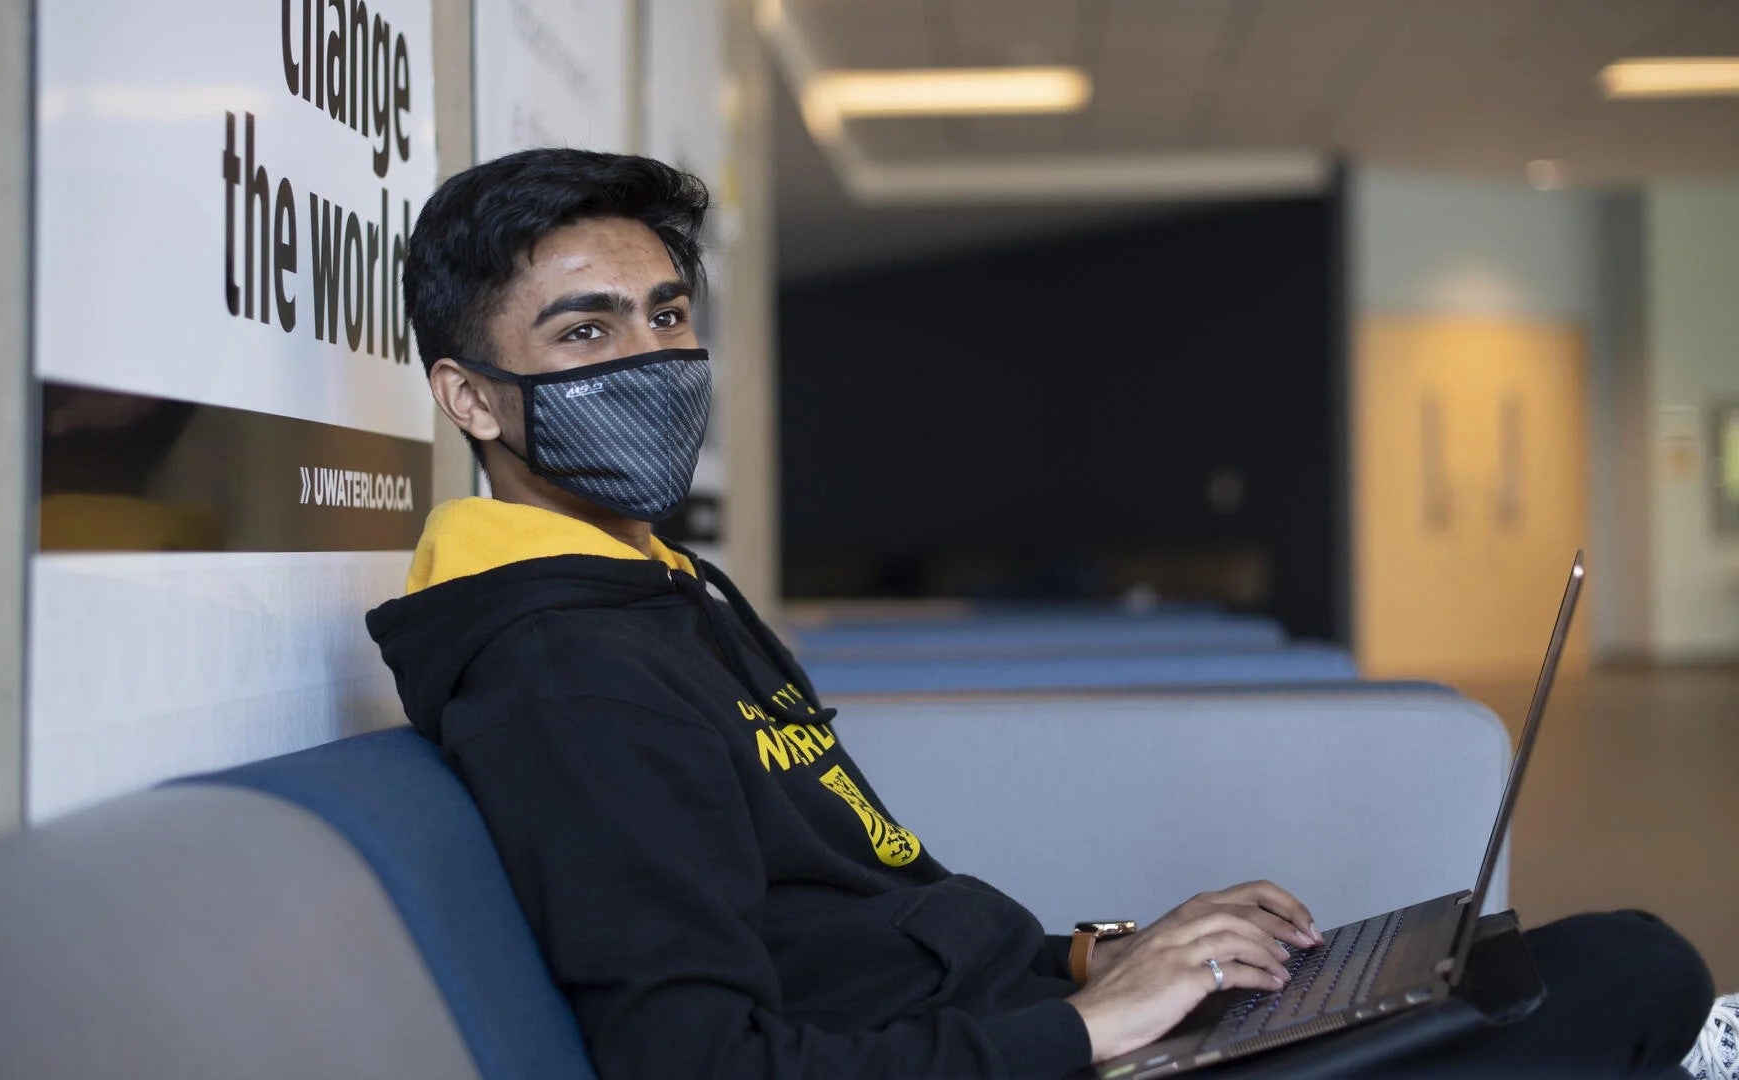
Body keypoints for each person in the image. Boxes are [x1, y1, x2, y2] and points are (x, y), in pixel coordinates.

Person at [367, 147, 1715, 1079]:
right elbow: (703, 1062)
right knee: (1627, 973)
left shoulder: (661, 593)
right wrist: (1091, 1030)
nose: (654, 359)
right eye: (586, 334)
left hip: (1033, 1028)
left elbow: (852, 907)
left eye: (667, 315)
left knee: (1502, 962)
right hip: (1038, 1063)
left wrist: (1096, 955)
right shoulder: (565, 673)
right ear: (470, 397)